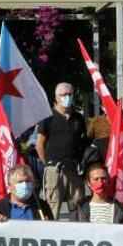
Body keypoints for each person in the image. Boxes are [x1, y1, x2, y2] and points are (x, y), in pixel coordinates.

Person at [35, 82, 87, 218]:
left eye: (69, 94)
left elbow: (82, 141)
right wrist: (47, 163)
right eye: (64, 95)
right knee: (53, 206)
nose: (67, 97)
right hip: (54, 169)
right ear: (56, 98)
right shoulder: (47, 117)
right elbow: (39, 144)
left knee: (78, 206)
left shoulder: (79, 118)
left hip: (74, 168)